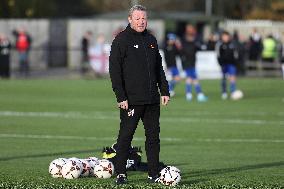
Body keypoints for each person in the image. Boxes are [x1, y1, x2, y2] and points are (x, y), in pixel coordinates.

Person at [109, 5, 170, 185]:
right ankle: (121, 174)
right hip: (131, 101)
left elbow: (158, 68)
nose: (141, 21)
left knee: (153, 138)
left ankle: (153, 174)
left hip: (151, 99)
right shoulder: (121, 40)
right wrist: (121, 97)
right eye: (137, 18)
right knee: (125, 137)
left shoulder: (151, 39)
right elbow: (114, 71)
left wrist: (164, 90)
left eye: (144, 18)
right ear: (129, 19)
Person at [179, 24, 208, 102]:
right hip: (187, 62)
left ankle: (190, 95)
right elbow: (182, 50)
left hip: (192, 61)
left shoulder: (194, 39)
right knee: (193, 78)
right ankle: (199, 95)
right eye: (189, 28)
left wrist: (200, 46)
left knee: (190, 78)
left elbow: (198, 47)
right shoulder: (185, 39)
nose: (190, 30)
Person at [216, 31, 239, 99]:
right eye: (224, 36)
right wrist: (220, 63)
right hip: (224, 64)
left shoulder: (232, 44)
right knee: (224, 78)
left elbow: (236, 54)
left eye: (226, 36)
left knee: (232, 77)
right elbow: (218, 55)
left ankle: (233, 92)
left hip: (231, 64)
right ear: (222, 37)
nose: (225, 38)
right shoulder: (219, 44)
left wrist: (235, 62)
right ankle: (224, 92)